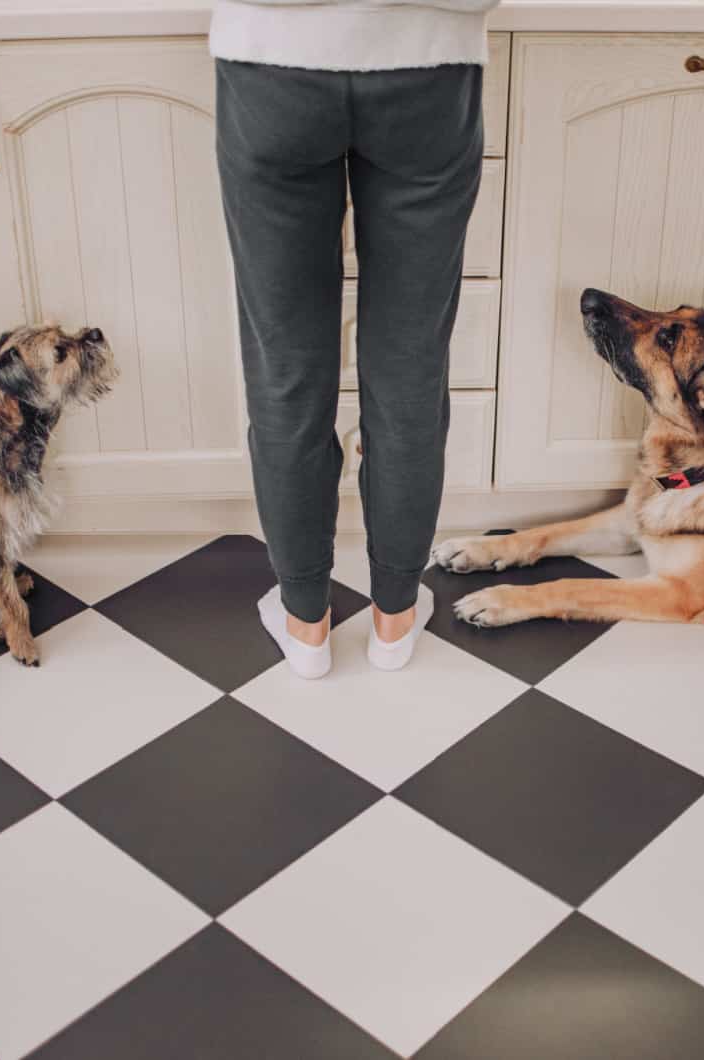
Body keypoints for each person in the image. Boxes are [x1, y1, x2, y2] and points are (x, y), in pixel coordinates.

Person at [212, 0, 498, 677]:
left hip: (271, 68)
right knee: (409, 369)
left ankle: (305, 623)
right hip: (429, 69)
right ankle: (394, 620)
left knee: (286, 369)